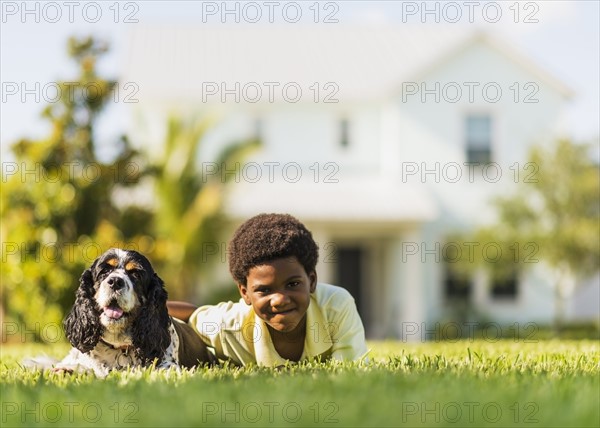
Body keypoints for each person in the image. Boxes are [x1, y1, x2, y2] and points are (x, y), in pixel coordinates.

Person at [167, 213, 368, 367]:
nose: (279, 299)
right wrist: (139, 303)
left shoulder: (336, 306)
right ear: (245, 293)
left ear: (312, 280)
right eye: (264, 290)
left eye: (292, 284)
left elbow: (349, 371)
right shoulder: (230, 326)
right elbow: (193, 314)